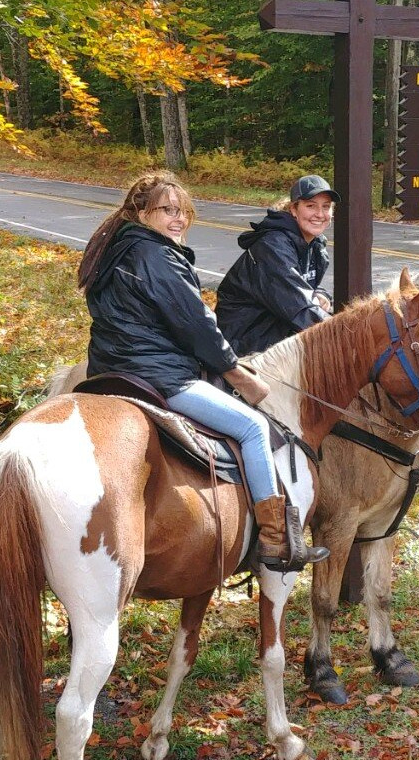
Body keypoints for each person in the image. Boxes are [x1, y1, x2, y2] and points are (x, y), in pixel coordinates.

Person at [79, 171, 328, 572]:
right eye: (166, 211)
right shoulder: (156, 256)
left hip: (109, 370)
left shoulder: (115, 251)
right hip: (159, 377)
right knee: (252, 428)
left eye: (184, 212)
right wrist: (236, 373)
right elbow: (196, 325)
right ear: (141, 213)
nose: (178, 220)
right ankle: (275, 540)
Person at [215, 175, 340, 355]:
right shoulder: (273, 246)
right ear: (294, 209)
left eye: (326, 207)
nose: (320, 214)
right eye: (311, 205)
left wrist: (320, 293)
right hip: (245, 346)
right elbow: (298, 307)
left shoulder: (315, 245)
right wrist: (343, 337)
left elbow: (301, 287)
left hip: (279, 337)